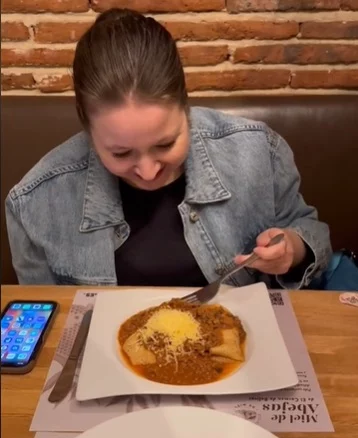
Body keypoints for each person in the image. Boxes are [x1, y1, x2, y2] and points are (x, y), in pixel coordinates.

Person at [5, 8, 332, 289]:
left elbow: (309, 231)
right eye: (121, 153)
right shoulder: (35, 202)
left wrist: (292, 248)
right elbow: (47, 315)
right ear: (88, 131)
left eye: (165, 144)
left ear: (186, 108)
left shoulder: (258, 151)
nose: (148, 171)